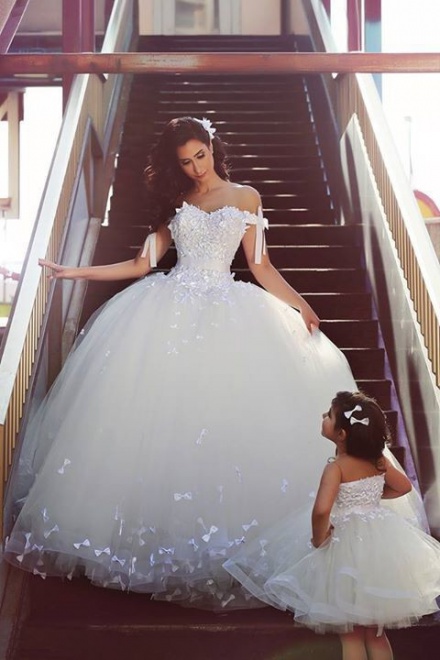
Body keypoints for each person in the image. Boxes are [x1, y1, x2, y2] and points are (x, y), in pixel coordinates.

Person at [0, 118, 407, 610]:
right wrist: (72, 271)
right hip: (167, 309)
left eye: (201, 154)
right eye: (186, 160)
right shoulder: (178, 204)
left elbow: (260, 266)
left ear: (213, 147)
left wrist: (301, 305)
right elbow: (139, 265)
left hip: (229, 307)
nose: (196, 166)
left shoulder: (247, 197)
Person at [224, 390, 440, 658]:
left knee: (350, 635)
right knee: (376, 633)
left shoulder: (336, 468)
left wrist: (319, 538)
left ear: (342, 435)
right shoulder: (378, 461)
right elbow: (404, 486)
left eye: (329, 415)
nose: (323, 416)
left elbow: (322, 510)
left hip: (345, 547)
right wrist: (371, 495)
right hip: (378, 546)